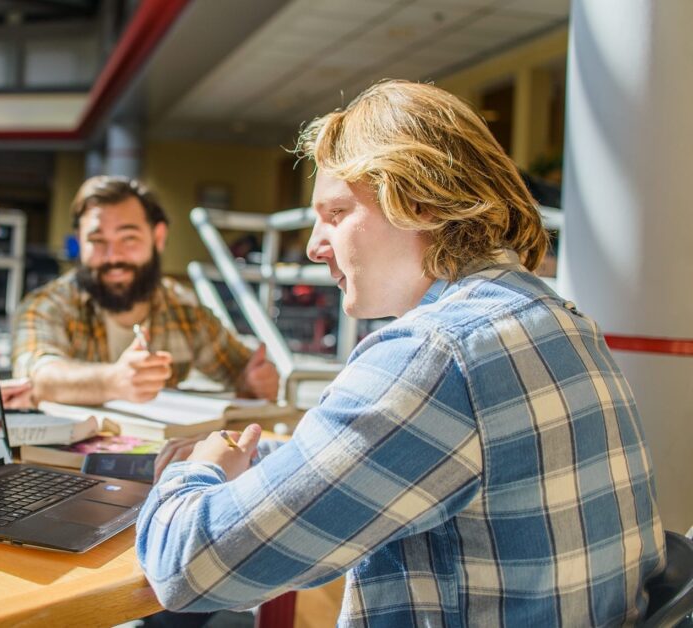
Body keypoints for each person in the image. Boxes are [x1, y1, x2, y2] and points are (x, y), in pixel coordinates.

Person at [137, 80, 664, 627]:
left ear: (416, 201)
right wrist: (266, 465)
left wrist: (194, 474)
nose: (315, 245)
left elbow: (189, 567)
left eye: (336, 213)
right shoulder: (561, 320)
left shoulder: (434, 356)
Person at [10, 175, 279, 405]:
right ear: (80, 242)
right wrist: (113, 381)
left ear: (158, 237)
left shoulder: (182, 307)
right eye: (97, 240)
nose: (113, 256)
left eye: (129, 238)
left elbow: (240, 368)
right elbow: (36, 376)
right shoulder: (46, 304)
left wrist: (254, 380)